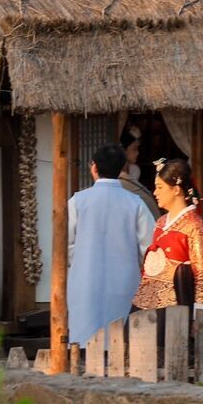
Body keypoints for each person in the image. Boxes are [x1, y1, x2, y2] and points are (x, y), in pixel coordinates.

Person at [66, 142, 153, 344]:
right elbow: (149, 248)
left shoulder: (77, 201)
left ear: (94, 167)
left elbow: (66, 244)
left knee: (84, 340)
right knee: (120, 340)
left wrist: (80, 261)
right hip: (125, 281)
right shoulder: (135, 203)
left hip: (84, 279)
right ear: (122, 168)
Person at [132, 159, 203, 311]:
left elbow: (201, 274)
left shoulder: (194, 226)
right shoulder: (161, 222)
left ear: (176, 190)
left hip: (176, 301)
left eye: (160, 187)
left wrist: (199, 311)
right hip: (147, 295)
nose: (155, 193)